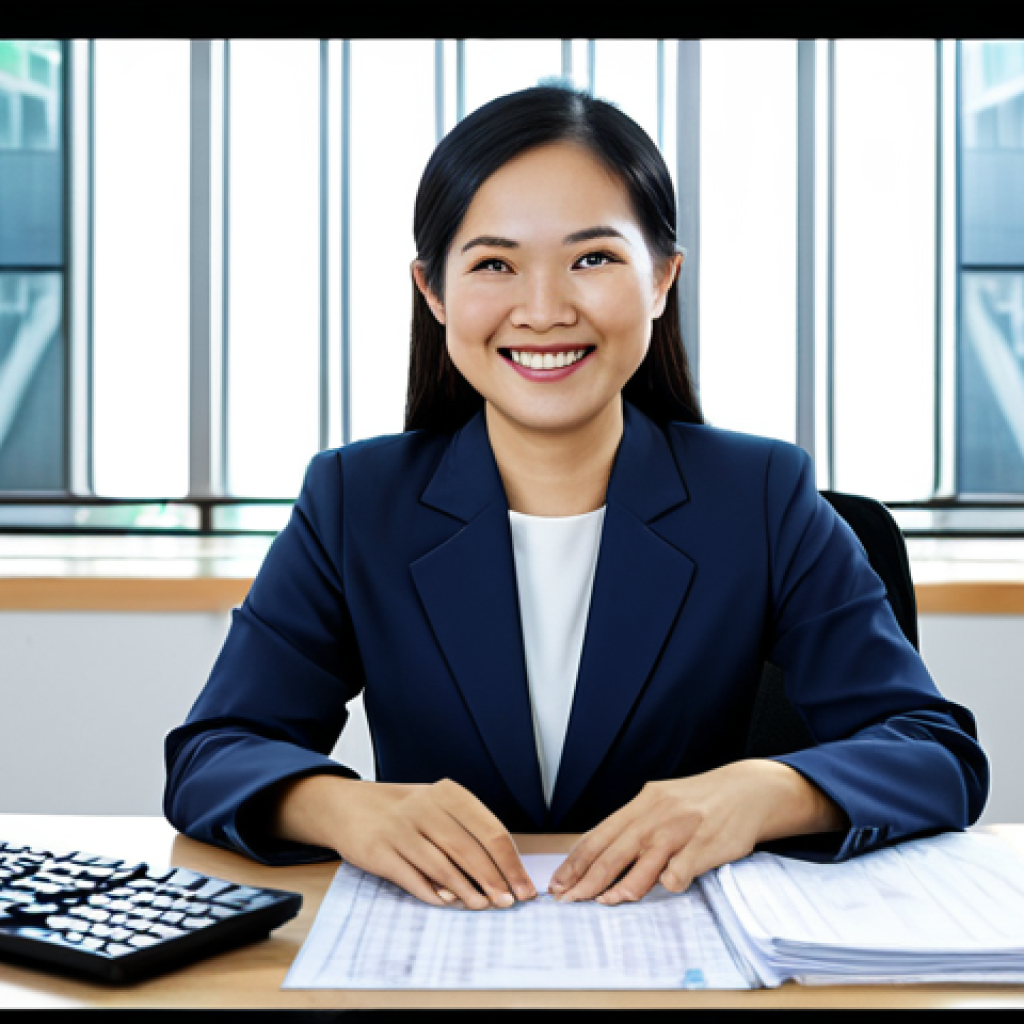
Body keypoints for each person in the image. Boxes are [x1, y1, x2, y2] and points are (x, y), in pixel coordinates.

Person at [164, 85, 988, 912]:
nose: (545, 310)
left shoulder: (762, 496)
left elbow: (932, 753)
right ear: (434, 292)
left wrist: (759, 792)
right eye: (494, 264)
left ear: (663, 278)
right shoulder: (355, 501)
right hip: (431, 962)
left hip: (684, 966)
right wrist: (346, 808)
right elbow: (214, 755)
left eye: (593, 259)